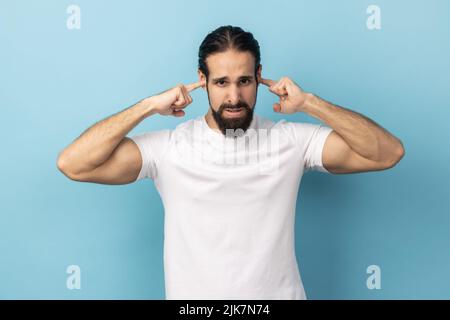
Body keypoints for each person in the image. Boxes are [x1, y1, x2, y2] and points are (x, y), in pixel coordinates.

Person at [57, 25, 404, 299]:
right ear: (202, 80)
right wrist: (148, 105)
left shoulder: (294, 142)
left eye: (244, 81)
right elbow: (74, 164)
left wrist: (310, 103)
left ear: (259, 77)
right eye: (221, 83)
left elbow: (388, 153)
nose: (234, 97)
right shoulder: (169, 149)